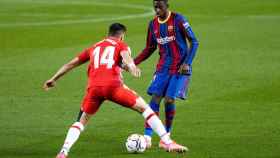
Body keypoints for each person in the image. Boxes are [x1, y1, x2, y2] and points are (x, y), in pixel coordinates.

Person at [43, 23, 188, 158]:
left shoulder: (94, 47)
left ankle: (63, 151)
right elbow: (126, 58)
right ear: (122, 35)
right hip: (113, 87)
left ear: (108, 34)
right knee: (146, 109)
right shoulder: (121, 44)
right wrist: (132, 67)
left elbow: (70, 64)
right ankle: (167, 142)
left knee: (81, 121)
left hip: (94, 89)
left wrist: (54, 78)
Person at [133, 0, 199, 148]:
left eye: (160, 7)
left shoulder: (178, 19)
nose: (157, 10)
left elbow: (194, 42)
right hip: (163, 67)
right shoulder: (153, 25)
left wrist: (187, 63)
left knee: (169, 99)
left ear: (167, 6)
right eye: (155, 7)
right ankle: (147, 136)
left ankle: (166, 136)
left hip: (180, 67)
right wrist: (133, 63)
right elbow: (149, 48)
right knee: (155, 98)